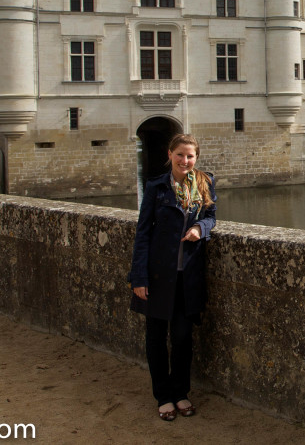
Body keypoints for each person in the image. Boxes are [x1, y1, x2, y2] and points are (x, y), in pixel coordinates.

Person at [128, 133, 217, 421]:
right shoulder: (156, 187)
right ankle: (163, 396)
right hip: (157, 275)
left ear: (196, 158)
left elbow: (212, 215)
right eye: (180, 155)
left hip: (187, 276)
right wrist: (138, 277)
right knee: (156, 338)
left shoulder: (204, 183)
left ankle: (181, 392)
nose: (185, 160)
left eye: (190, 156)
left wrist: (200, 229)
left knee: (182, 337)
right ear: (169, 155)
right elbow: (143, 233)